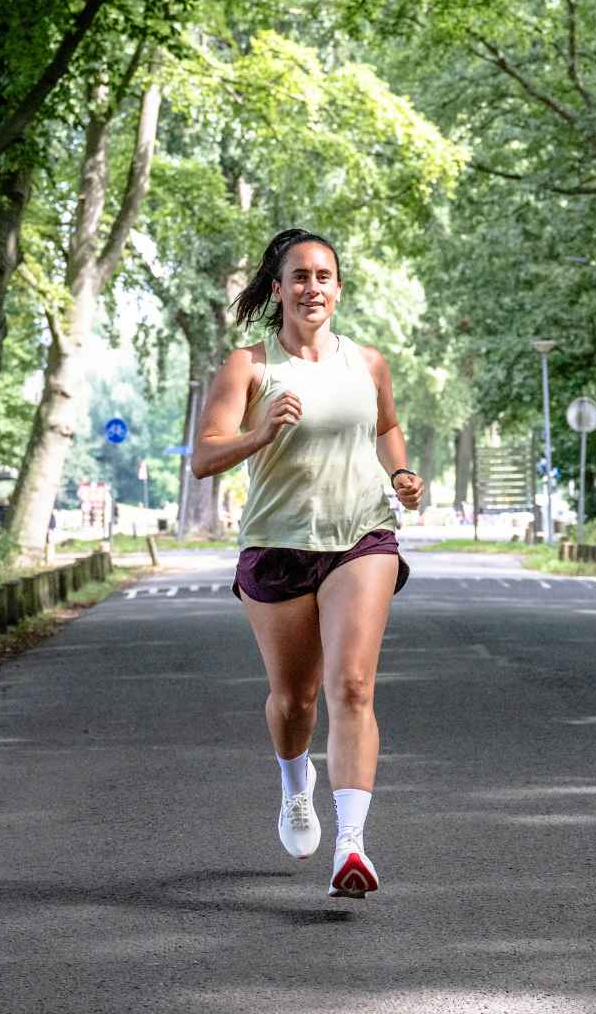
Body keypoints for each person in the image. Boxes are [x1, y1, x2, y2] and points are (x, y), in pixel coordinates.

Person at [191, 228, 424, 898]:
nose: (312, 287)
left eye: (324, 276)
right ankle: (296, 785)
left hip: (362, 536)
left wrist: (402, 473)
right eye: (299, 276)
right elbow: (205, 457)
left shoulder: (368, 363)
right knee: (295, 701)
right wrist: (260, 432)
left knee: (352, 687)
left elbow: (384, 428)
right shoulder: (250, 367)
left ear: (339, 287)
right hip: (278, 541)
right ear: (277, 288)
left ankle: (351, 846)